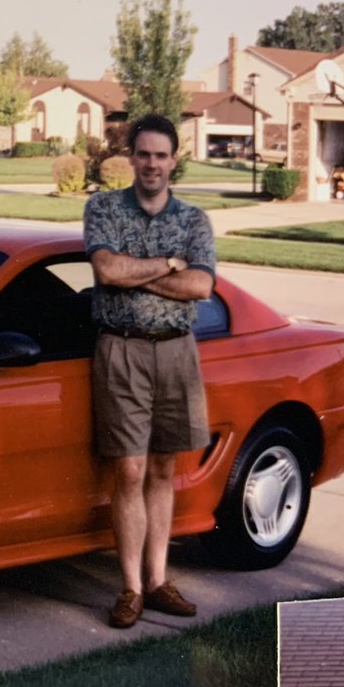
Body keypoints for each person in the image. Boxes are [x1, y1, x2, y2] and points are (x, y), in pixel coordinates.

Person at [83, 114, 216, 628]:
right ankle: (131, 589)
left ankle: (159, 581)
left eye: (162, 155)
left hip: (177, 352)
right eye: (144, 154)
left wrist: (137, 274)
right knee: (130, 470)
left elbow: (202, 287)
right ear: (131, 156)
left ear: (174, 159)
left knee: (164, 469)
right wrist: (171, 265)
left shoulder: (194, 220)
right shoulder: (104, 208)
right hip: (121, 350)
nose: (152, 164)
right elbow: (106, 271)